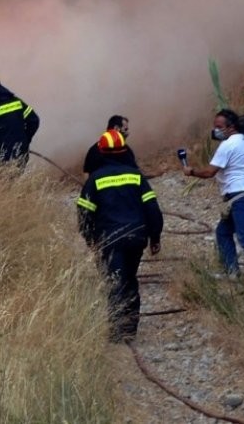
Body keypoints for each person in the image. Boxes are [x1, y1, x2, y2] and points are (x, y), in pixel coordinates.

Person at [77, 129, 163, 342]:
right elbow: (152, 208)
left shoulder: (95, 180)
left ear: (102, 153)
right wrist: (155, 238)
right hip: (136, 238)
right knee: (130, 279)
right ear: (124, 151)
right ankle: (130, 329)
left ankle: (116, 332)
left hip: (109, 240)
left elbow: (84, 213)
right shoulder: (136, 177)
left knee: (115, 281)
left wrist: (90, 240)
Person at [182, 108, 244, 287]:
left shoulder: (229, 144)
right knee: (223, 232)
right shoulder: (243, 141)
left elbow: (209, 172)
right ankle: (231, 271)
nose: (215, 130)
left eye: (219, 127)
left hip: (239, 196)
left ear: (230, 127)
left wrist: (191, 171)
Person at [0, 73, 39, 166]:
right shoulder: (16, 101)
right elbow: (34, 120)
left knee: (1, 179)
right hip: (21, 152)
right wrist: (25, 140)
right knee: (18, 179)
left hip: (2, 154)